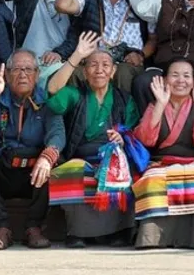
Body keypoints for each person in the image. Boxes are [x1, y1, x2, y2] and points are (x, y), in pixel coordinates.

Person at [46, 36, 141, 248]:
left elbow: (135, 131)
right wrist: (76, 56)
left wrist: (123, 139)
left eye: (105, 65)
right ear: (85, 71)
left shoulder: (124, 99)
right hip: (81, 155)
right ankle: (77, 233)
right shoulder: (75, 94)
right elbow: (52, 90)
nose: (99, 70)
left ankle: (119, 231)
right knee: (73, 171)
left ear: (113, 72)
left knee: (124, 169)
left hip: (113, 156)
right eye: (93, 65)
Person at [0, 53, 64, 250]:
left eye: (28, 69)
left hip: (34, 175)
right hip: (2, 171)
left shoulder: (46, 103)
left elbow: (58, 134)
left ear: (37, 74)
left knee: (57, 162)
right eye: (16, 69)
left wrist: (47, 158)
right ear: (8, 75)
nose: (22, 74)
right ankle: (1, 227)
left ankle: (34, 228)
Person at [130, 59, 194, 249]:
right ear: (164, 80)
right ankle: (152, 239)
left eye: (186, 76)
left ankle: (190, 239)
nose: (181, 80)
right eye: (175, 75)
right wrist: (161, 104)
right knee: (152, 179)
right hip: (161, 164)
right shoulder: (156, 105)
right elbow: (145, 140)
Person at [53, 0, 147, 93]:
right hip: (94, 59)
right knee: (75, 73)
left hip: (128, 59)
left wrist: (140, 54)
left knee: (123, 72)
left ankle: (123, 116)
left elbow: (154, 38)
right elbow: (62, 5)